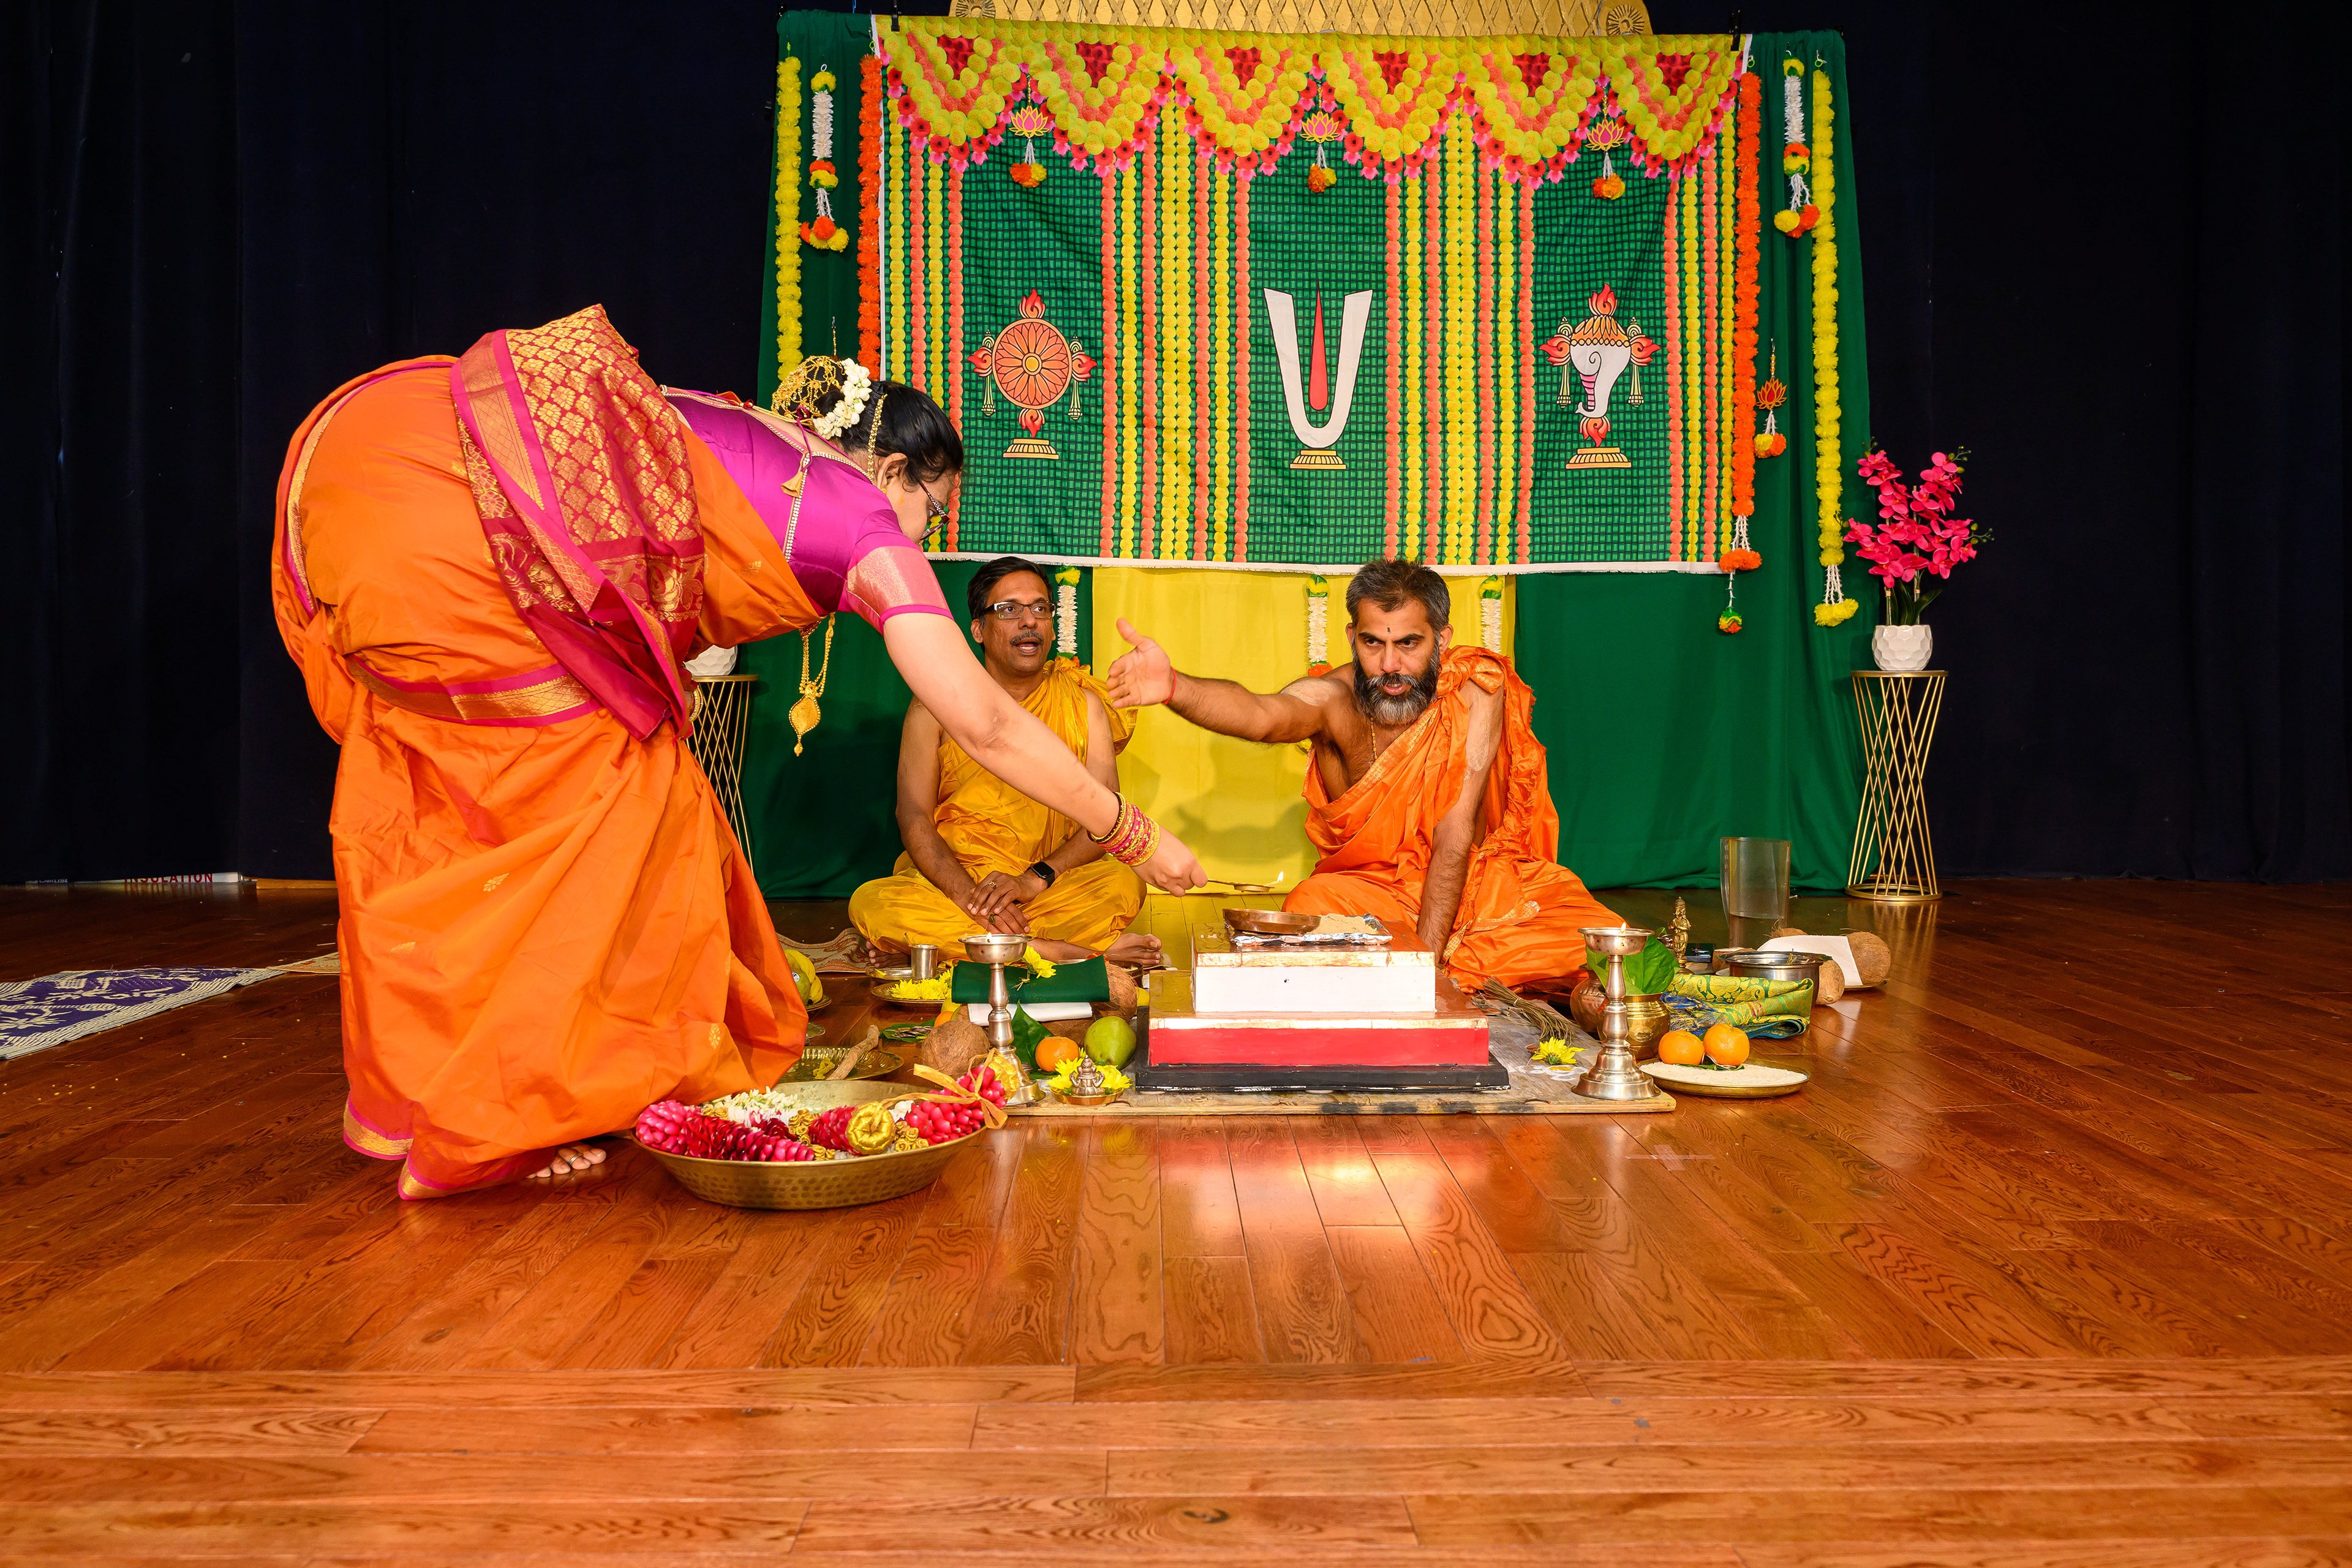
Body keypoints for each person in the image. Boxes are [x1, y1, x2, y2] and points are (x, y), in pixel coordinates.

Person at [272, 306, 1202, 1197]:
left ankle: (534, 1092)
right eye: (934, 509)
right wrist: (1135, 834)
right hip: (463, 529)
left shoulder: (768, 436)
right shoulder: (865, 527)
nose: (929, 534)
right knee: (604, 835)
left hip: (387, 444)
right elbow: (986, 726)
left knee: (535, 822)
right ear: (891, 471)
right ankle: (505, 1117)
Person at [1106, 557, 1616, 990]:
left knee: (1605, 944)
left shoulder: (1475, 688)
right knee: (1308, 903)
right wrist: (1174, 687)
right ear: (1352, 636)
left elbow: (1456, 832)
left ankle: (1417, 968)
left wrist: (1424, 969)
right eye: (1373, 644)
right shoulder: (1333, 699)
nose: (1390, 665)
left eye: (1409, 644)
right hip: (1372, 893)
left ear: (1442, 639)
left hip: (1473, 887)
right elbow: (1263, 716)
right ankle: (1443, 970)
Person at [850, 557, 1161, 965]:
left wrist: (1034, 879)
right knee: (873, 903)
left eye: (1040, 608)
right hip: (959, 885)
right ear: (978, 629)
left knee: (1123, 882)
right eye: (1010, 609)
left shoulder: (1085, 705)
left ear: (1052, 625)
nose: (1029, 621)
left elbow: (1106, 823)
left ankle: (968, 948)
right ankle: (1059, 952)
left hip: (1045, 887)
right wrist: (973, 900)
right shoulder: (935, 705)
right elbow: (914, 817)